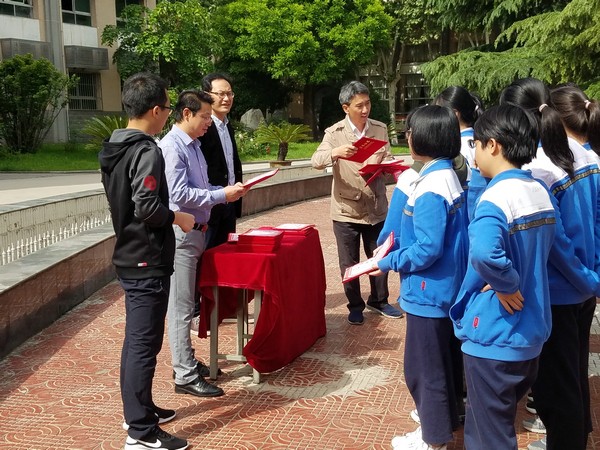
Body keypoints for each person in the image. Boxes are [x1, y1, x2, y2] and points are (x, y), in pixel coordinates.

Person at [449, 103, 600, 450]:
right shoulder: (539, 190)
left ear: (492, 145)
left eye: (476, 144)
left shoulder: (496, 198)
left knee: (488, 434)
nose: (474, 153)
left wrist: (506, 284)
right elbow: (562, 250)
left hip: (495, 333)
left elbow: (484, 252)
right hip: (532, 334)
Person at [502, 79, 600, 450]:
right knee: (574, 374)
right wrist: (593, 275)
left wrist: (585, 278)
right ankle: (577, 436)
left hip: (558, 292)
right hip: (583, 286)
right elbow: (596, 221)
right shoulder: (584, 153)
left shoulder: (539, 170)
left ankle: (567, 441)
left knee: (557, 390)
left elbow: (556, 244)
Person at [98, 72, 194, 450]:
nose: (168, 114)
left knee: (137, 342)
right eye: (168, 108)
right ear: (155, 110)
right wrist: (178, 218)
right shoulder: (146, 151)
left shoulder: (115, 145)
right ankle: (140, 432)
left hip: (129, 253)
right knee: (143, 344)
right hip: (146, 259)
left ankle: (139, 410)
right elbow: (148, 207)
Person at [371, 105, 468, 450]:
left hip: (429, 291)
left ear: (425, 137)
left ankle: (433, 438)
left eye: (410, 132)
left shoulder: (430, 186)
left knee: (424, 367)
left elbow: (427, 248)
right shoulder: (445, 174)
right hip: (443, 288)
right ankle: (444, 421)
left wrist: (388, 261)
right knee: (442, 361)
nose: (407, 137)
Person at [159, 90, 247, 398]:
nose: (209, 122)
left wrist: (224, 191)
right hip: (182, 235)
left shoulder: (194, 145)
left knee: (185, 303)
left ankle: (186, 362)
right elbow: (179, 194)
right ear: (186, 113)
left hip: (198, 231)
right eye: (205, 117)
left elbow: (201, 186)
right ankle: (184, 373)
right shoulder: (172, 147)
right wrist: (221, 195)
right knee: (181, 306)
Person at [311, 80, 402, 325]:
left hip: (375, 206)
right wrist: (335, 153)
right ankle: (355, 306)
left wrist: (387, 166)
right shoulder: (335, 133)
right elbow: (316, 160)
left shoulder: (379, 129)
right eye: (359, 105)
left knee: (378, 255)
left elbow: (388, 156)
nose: (365, 110)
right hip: (346, 210)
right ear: (346, 107)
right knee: (348, 262)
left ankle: (379, 300)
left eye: (367, 104)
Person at [200, 73, 243, 249]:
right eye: (221, 94)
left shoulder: (227, 125)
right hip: (209, 207)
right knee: (207, 255)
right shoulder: (202, 127)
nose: (226, 98)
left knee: (226, 254)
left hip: (229, 204)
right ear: (206, 95)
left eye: (229, 93)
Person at [433, 86, 485, 220]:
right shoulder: (482, 141)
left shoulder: (455, 147)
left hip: (465, 215)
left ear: (455, 114)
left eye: (440, 112)